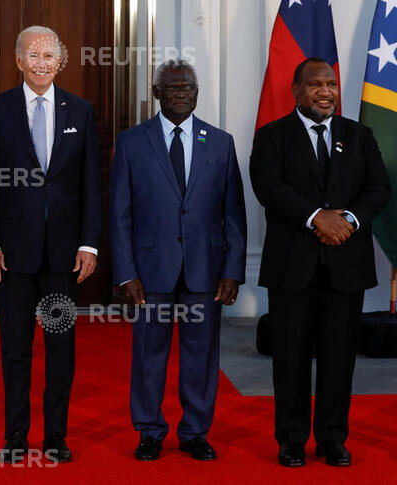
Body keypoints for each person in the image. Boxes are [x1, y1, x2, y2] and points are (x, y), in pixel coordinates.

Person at [250, 57, 390, 467]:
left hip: (346, 266)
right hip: (292, 267)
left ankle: (332, 438)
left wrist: (348, 219)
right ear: (296, 90)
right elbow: (268, 187)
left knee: (339, 358)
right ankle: (291, 440)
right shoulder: (272, 136)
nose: (325, 91)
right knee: (290, 358)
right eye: (315, 84)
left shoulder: (359, 135)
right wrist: (317, 218)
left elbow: (378, 186)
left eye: (331, 83)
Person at [0, 25, 102, 463]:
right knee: (16, 349)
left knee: (61, 349)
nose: (43, 62)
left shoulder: (81, 111)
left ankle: (55, 437)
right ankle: (14, 437)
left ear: (60, 60)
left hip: (65, 257)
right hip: (12, 255)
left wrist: (90, 244)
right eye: (35, 55)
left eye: (51, 55)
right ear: (19, 61)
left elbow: (91, 186)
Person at [110, 59, 247, 462]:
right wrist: (126, 272)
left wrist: (233, 270)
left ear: (197, 91)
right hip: (149, 272)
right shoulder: (132, 142)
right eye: (173, 88)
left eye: (188, 86)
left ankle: (194, 432)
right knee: (149, 355)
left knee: (201, 355)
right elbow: (119, 215)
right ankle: (149, 430)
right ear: (157, 94)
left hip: (205, 270)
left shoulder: (220, 142)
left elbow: (234, 214)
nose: (182, 93)